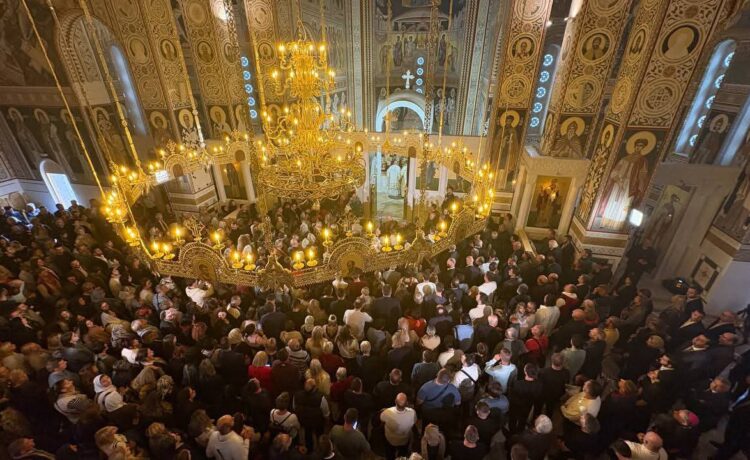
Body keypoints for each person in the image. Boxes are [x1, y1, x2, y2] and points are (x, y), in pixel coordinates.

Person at [380, 393, 417, 459]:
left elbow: (381, 419)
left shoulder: (387, 412)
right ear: (407, 403)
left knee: (390, 454)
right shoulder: (412, 412)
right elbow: (414, 421)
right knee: (402, 455)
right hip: (404, 440)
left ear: (395, 401)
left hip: (390, 440)